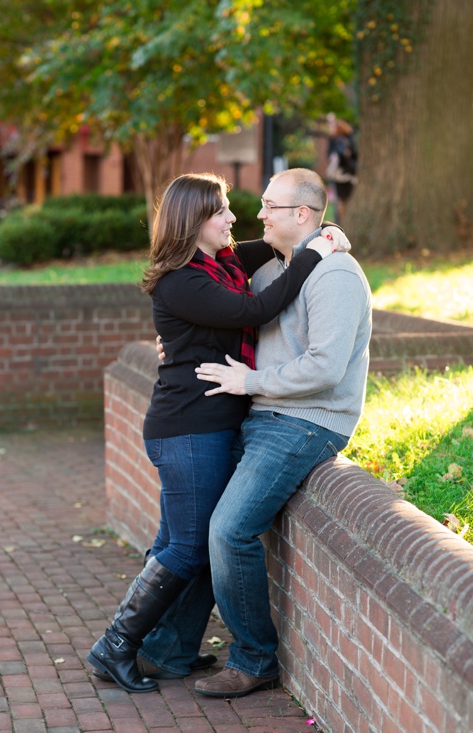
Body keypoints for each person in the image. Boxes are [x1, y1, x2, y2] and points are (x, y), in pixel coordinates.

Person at [85, 172, 346, 694]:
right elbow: (256, 309)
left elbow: (290, 235)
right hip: (188, 429)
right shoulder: (183, 281)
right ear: (194, 221)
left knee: (175, 542)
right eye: (222, 212)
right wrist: (317, 255)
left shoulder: (223, 261)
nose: (234, 219)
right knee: (185, 547)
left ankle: (167, 651)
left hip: (208, 425)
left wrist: (324, 233)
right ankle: (115, 646)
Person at [189, 167, 372, 697]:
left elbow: (326, 367)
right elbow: (213, 296)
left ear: (302, 215)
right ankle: (169, 647)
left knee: (229, 530)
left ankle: (254, 660)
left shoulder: (335, 275)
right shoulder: (274, 268)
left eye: (270, 206)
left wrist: (252, 381)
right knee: (196, 523)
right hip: (262, 412)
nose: (258, 214)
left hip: (307, 421)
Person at [325, 113, 357, 223]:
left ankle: (342, 221)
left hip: (340, 175)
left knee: (341, 201)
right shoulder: (349, 141)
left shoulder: (337, 141)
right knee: (346, 200)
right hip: (349, 175)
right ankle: (344, 220)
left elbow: (335, 157)